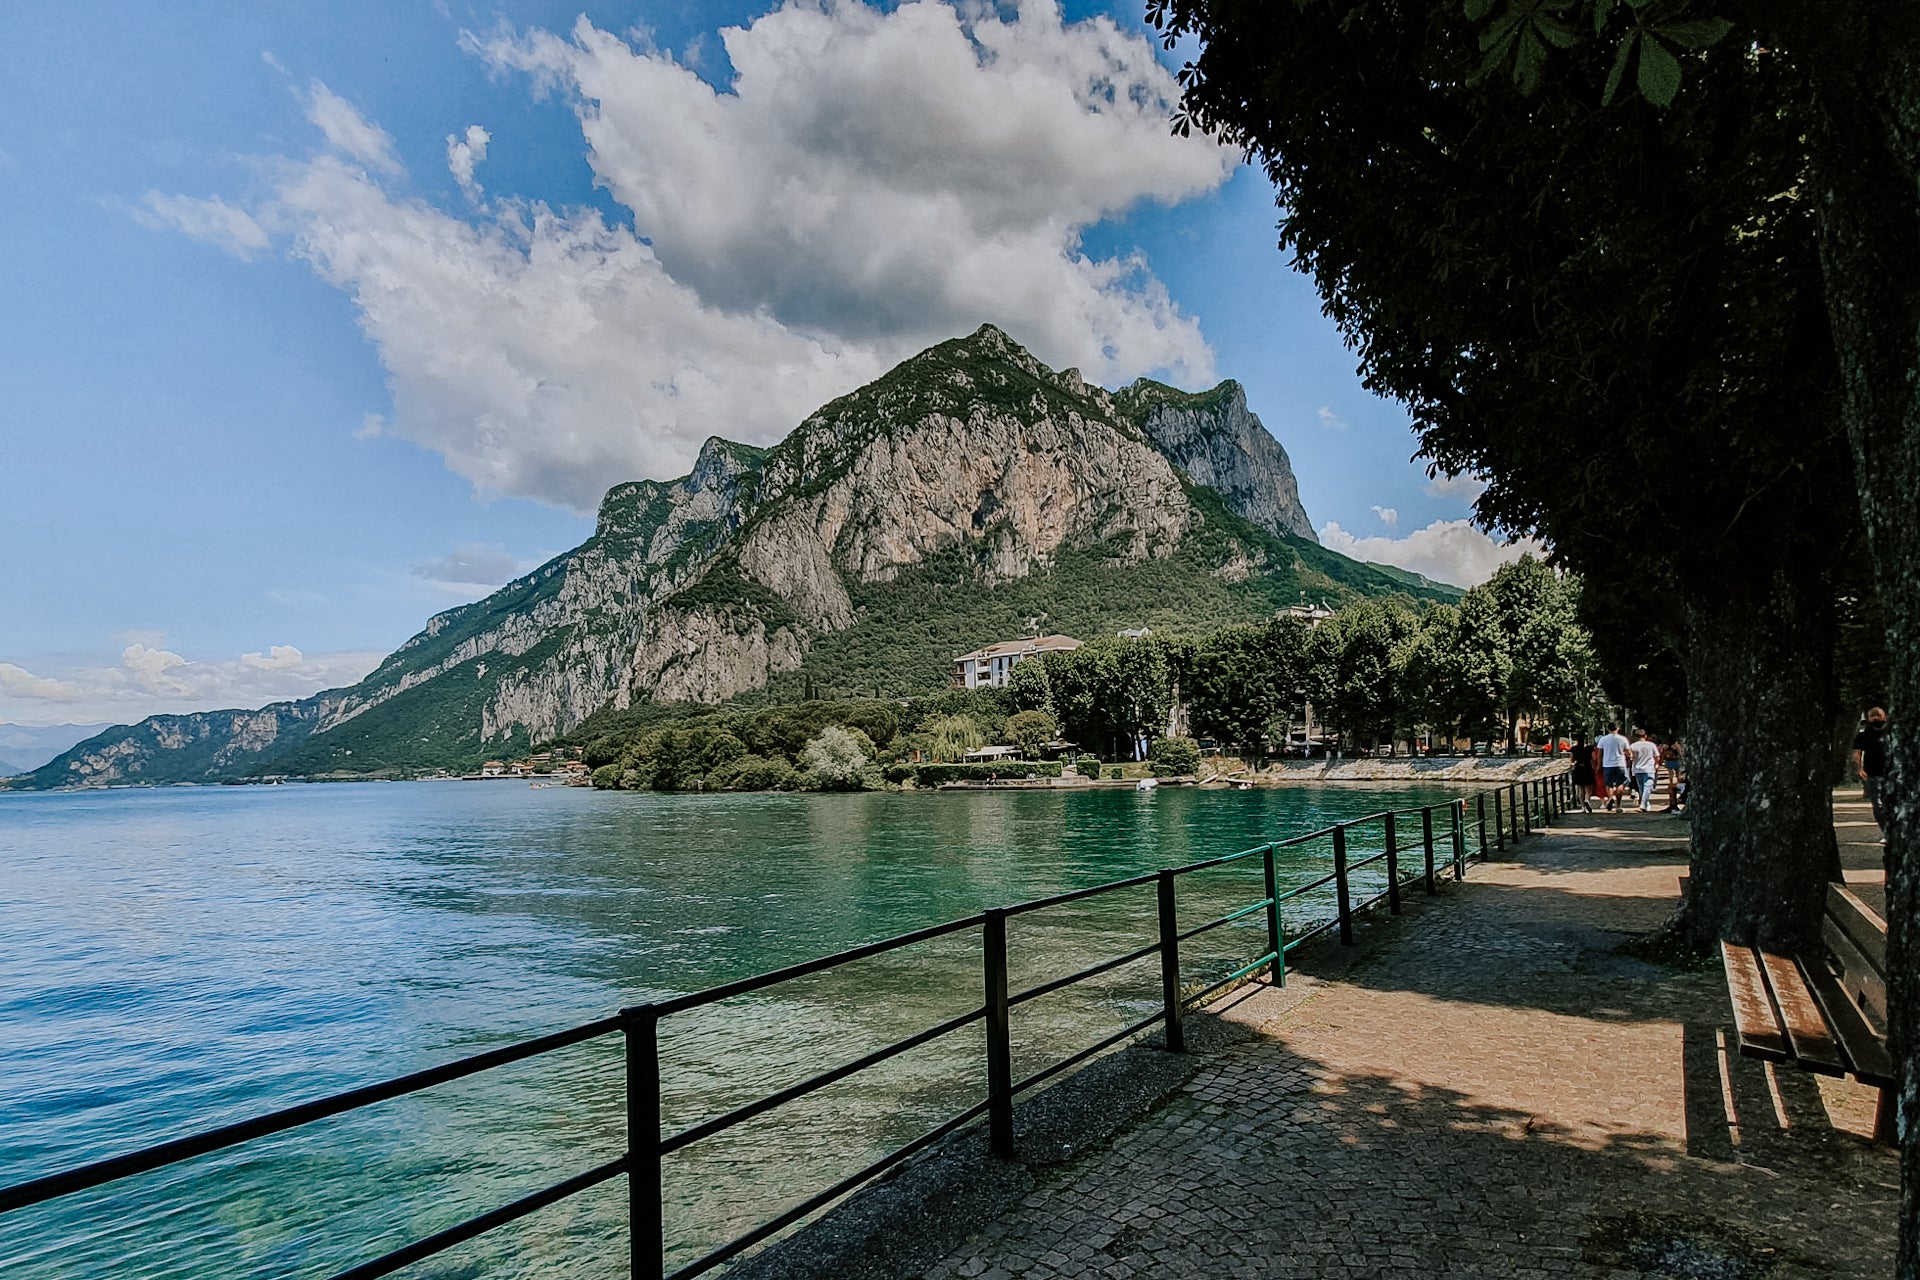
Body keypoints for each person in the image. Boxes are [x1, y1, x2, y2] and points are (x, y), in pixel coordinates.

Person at [1854, 707, 1890, 836]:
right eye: (1873, 715)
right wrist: (1859, 768)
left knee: (1890, 803)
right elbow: (1857, 752)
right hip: (1872, 773)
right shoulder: (1863, 734)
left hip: (1891, 774)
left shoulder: (1891, 733)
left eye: (1878, 715)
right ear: (1869, 718)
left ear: (1884, 716)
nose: (1876, 718)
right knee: (1878, 805)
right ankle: (1886, 832)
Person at [1595, 725, 1632, 812]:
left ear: (1608, 729)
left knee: (1608, 784)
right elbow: (1628, 752)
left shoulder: (1603, 739)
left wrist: (1598, 765)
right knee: (1621, 784)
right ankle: (1618, 805)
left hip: (1607, 764)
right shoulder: (1623, 739)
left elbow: (1600, 754)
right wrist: (1629, 758)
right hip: (1620, 764)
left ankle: (1610, 797)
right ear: (1618, 728)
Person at [1627, 730, 1661, 812]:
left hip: (1638, 768)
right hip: (1649, 768)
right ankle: (1644, 804)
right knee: (1647, 787)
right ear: (1645, 736)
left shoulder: (1633, 746)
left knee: (1642, 787)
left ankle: (1645, 804)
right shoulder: (1651, 745)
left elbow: (1630, 757)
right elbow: (1657, 756)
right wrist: (1656, 764)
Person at [1568, 734, 1598, 811]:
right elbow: (1594, 758)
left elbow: (1572, 760)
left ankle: (1583, 807)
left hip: (1578, 768)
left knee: (1581, 788)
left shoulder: (1574, 749)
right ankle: (1587, 799)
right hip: (1587, 768)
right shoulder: (1589, 748)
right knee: (1589, 788)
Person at [1660, 738, 1686, 812]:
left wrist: (1661, 761)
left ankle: (1672, 782)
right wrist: (1681, 758)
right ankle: (1676, 782)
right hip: (1675, 760)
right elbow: (1680, 753)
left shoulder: (1665, 746)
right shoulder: (1676, 745)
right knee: (1676, 773)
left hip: (1669, 761)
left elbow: (1663, 753)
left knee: (1671, 773)